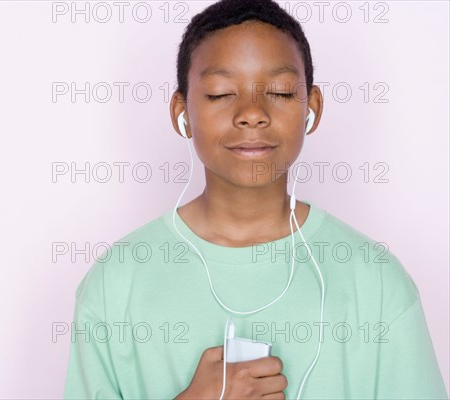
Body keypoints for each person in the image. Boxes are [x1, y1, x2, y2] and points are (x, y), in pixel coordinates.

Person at [63, 0, 449, 398]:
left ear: (311, 108)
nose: (252, 113)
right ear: (183, 112)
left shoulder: (376, 282)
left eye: (280, 92)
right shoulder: (117, 282)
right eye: (220, 93)